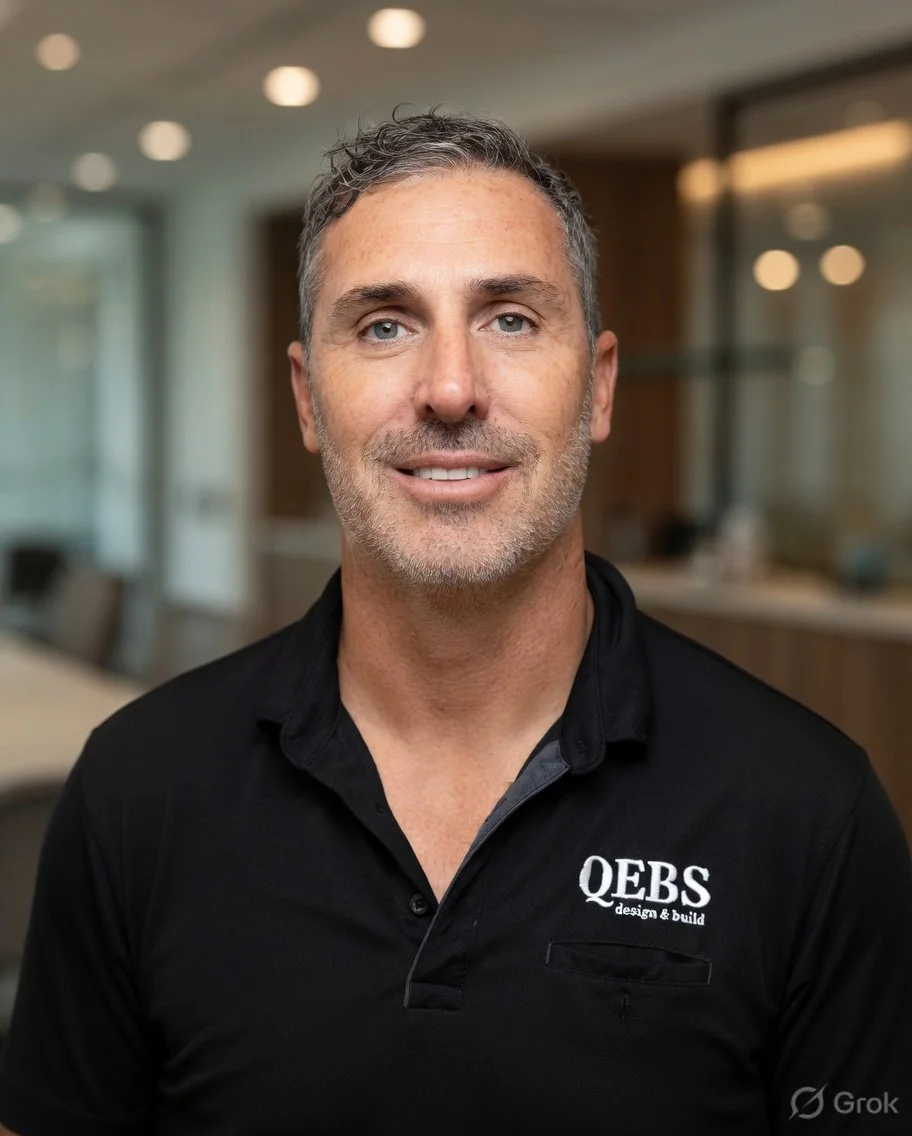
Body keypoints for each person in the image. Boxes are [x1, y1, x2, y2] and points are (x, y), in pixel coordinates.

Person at [1, 108, 910, 1135]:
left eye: (510, 319)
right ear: (308, 399)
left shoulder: (807, 812)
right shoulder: (136, 789)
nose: (448, 390)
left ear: (599, 385)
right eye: (384, 325)